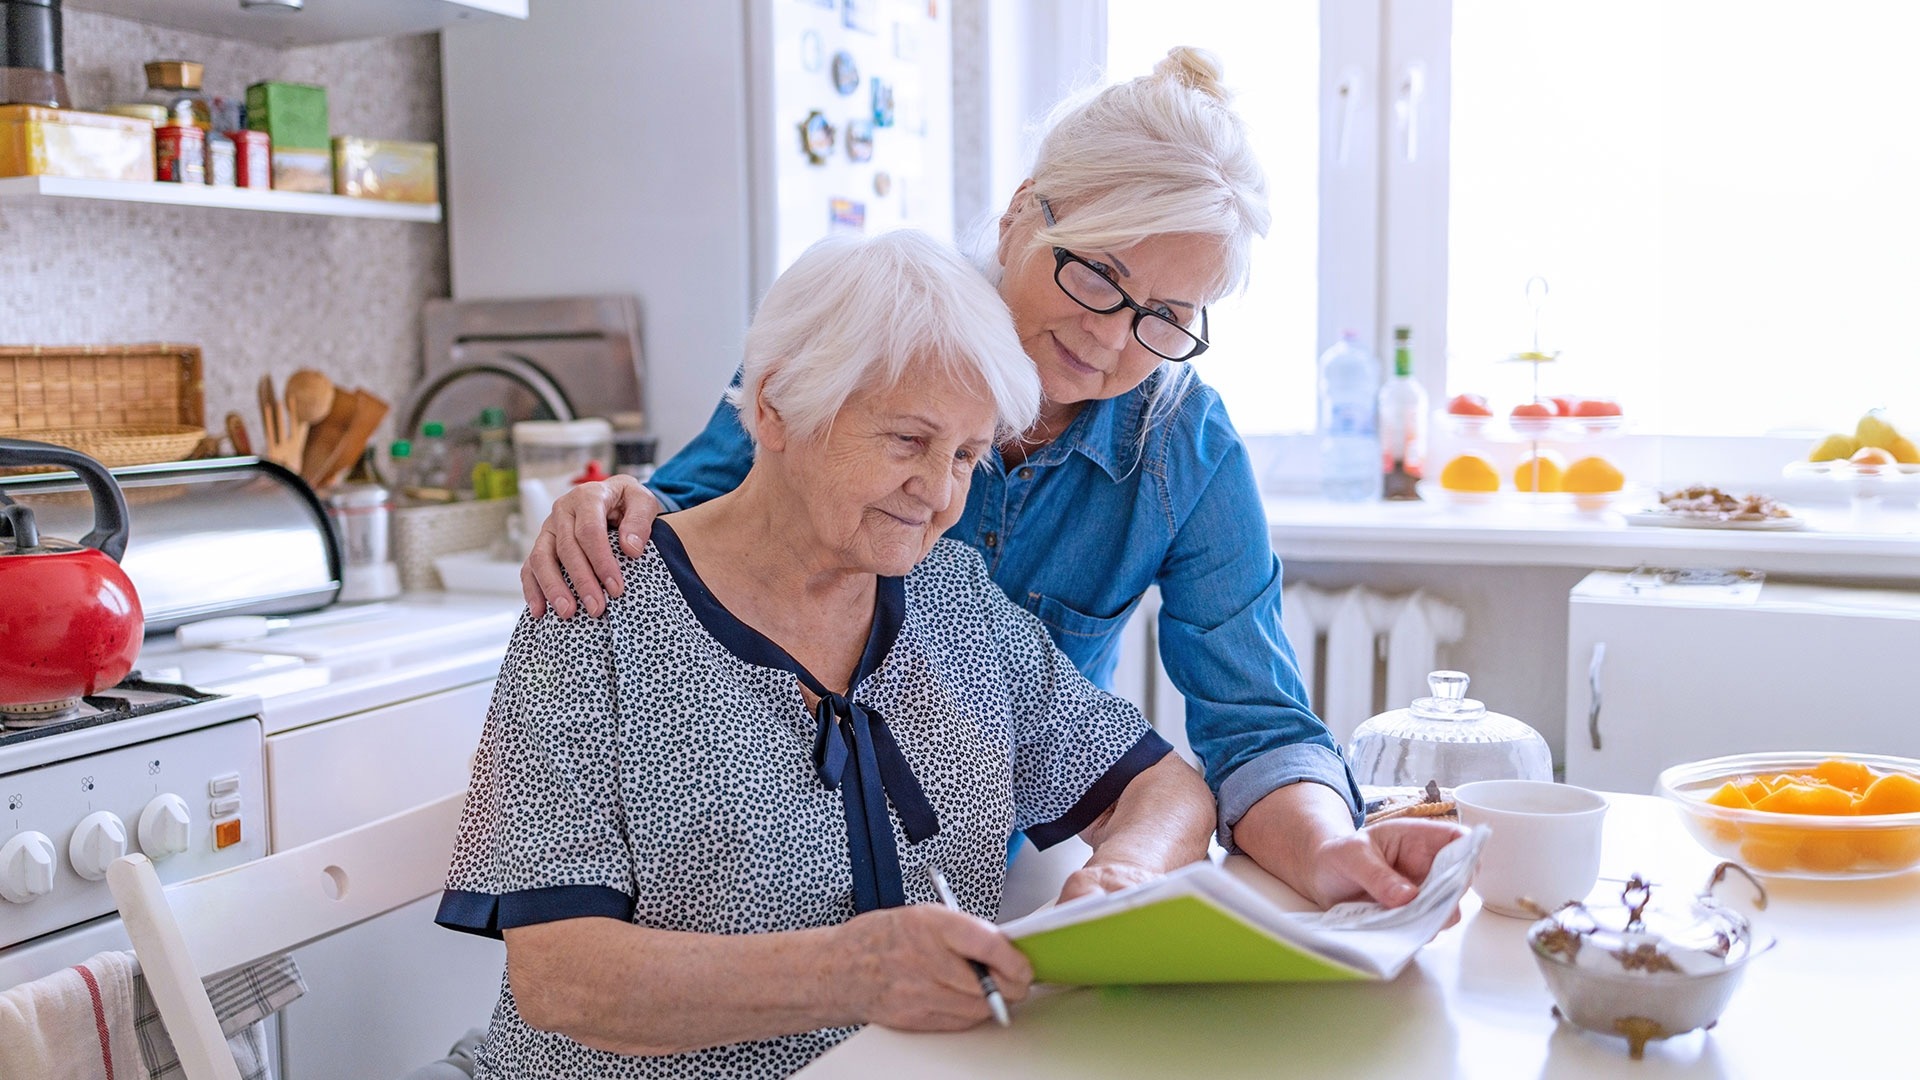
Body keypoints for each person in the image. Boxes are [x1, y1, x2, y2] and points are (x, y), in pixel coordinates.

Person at [519, 48, 1464, 913]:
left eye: (1165, 315)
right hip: (766, 870)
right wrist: (609, 506)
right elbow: (691, 524)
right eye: (1099, 273)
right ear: (1022, 214)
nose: (1108, 335)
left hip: (992, 867)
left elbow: (1255, 725)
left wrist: (1332, 849)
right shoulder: (873, 335)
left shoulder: (1185, 446)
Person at [436, 230, 1216, 1078]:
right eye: (907, 441)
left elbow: (1161, 785)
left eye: (966, 455)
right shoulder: (597, 608)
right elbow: (562, 979)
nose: (940, 493)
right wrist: (848, 974)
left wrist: (1126, 875)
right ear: (774, 406)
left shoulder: (955, 602)